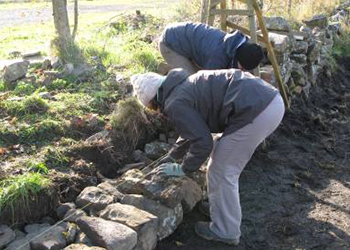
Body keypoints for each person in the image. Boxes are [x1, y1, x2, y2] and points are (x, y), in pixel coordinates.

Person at [131, 68, 285, 245]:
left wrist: (183, 168)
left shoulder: (175, 103)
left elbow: (203, 142)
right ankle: (219, 208)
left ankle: (226, 230)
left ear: (152, 99)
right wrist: (173, 156)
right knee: (220, 159)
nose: (156, 111)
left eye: (151, 107)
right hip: (266, 102)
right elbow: (192, 128)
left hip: (257, 111)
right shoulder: (184, 85)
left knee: (221, 169)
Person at [159, 22, 264, 74]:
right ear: (238, 58)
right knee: (191, 82)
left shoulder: (234, 44)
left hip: (184, 39)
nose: (242, 71)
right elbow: (206, 84)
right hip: (170, 43)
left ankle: (173, 71)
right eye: (242, 68)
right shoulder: (218, 56)